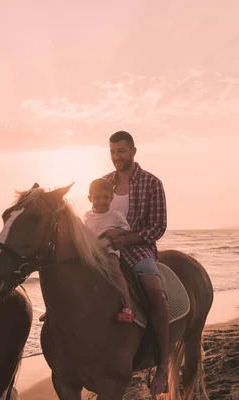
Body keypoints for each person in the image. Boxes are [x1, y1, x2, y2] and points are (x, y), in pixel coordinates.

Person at [103, 130, 169, 396]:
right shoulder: (103, 182)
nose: (116, 156)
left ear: (132, 151)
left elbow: (158, 227)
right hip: (105, 249)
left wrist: (126, 239)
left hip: (139, 249)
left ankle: (163, 365)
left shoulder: (151, 183)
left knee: (154, 290)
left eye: (121, 151)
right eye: (112, 152)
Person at [82, 178, 135, 322]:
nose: (101, 201)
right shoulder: (87, 216)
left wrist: (115, 232)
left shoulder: (116, 216)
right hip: (92, 252)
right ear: (90, 198)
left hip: (109, 250)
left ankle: (128, 306)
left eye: (106, 197)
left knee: (116, 271)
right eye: (97, 197)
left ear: (111, 198)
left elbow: (127, 230)